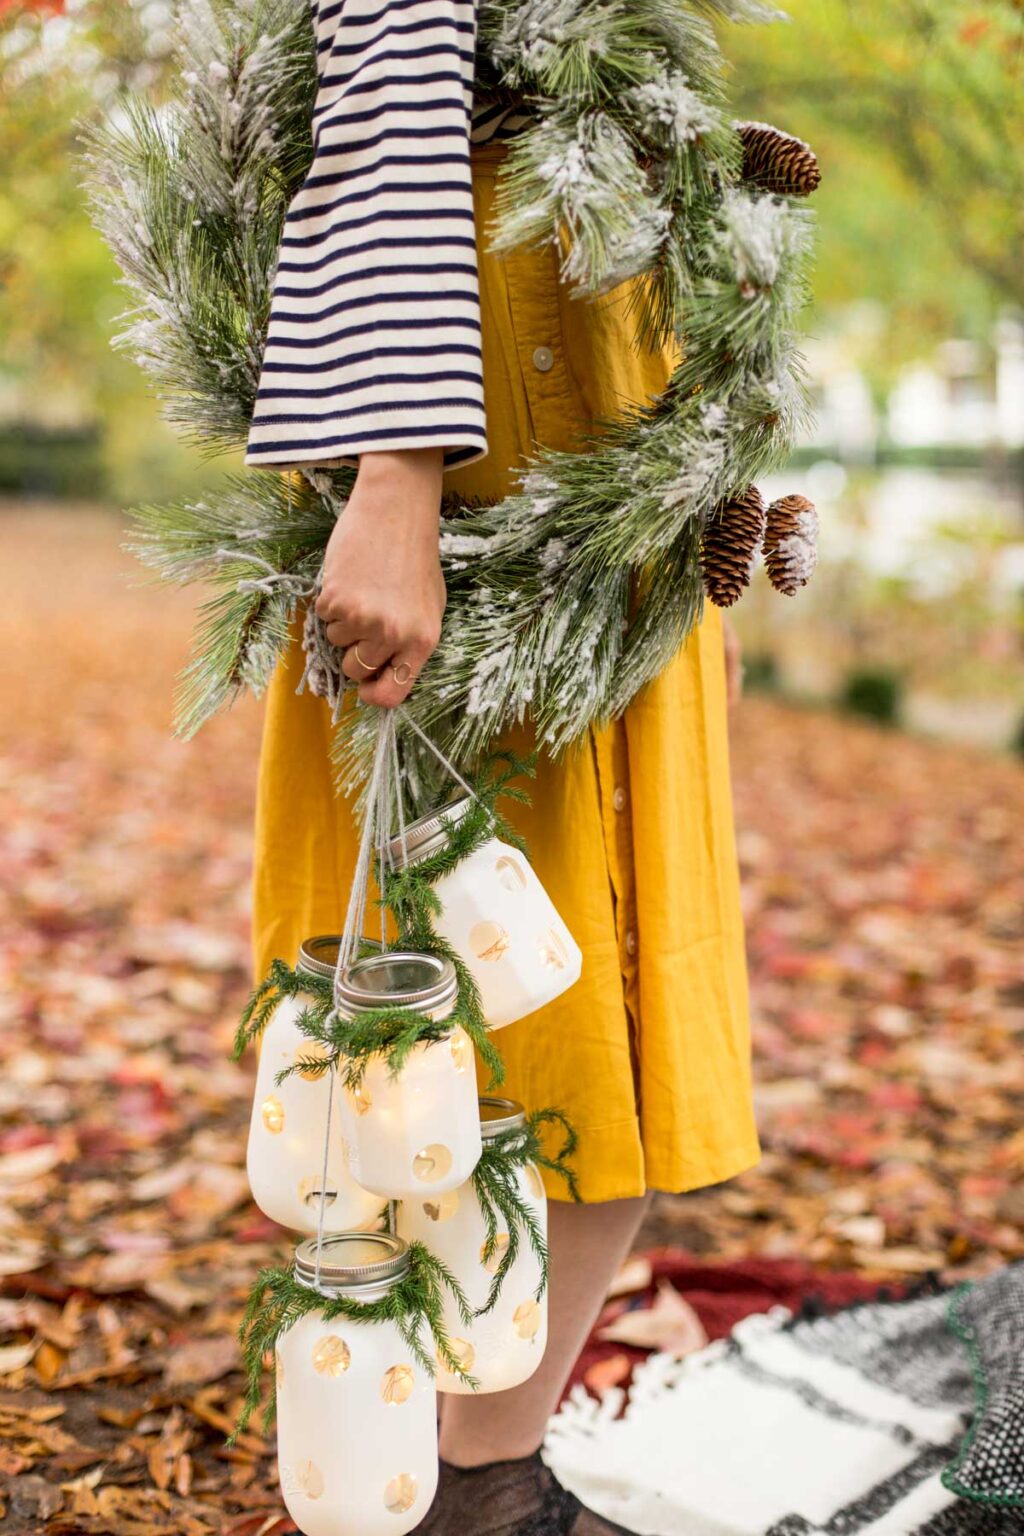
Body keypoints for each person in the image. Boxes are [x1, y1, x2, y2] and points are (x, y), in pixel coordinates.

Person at [246, 1, 759, 1529]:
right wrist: (400, 469)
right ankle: (444, 1471)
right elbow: (397, 58)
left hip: (592, 332)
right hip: (486, 348)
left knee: (592, 984)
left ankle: (479, 1468)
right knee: (476, 1001)